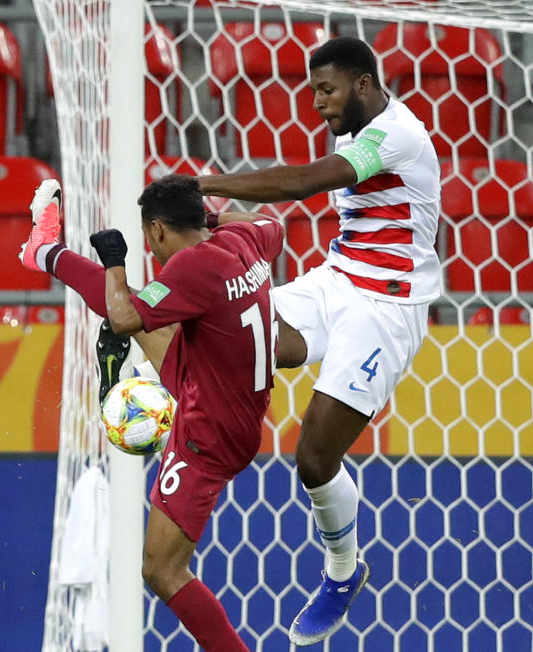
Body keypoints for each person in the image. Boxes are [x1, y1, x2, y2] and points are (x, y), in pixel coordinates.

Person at [193, 35, 440, 646]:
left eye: (326, 90)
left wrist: (202, 184)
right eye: (312, 92)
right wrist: (225, 215)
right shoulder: (351, 129)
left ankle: (343, 571)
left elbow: (303, 182)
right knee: (234, 328)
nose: (318, 104)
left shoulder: (397, 134)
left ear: (363, 83)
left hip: (386, 309)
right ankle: (172, 402)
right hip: (336, 280)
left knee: (313, 460)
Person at [20, 173, 285, 651]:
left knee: (160, 570)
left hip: (208, 434)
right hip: (223, 387)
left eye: (149, 239)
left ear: (159, 231)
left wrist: (115, 262)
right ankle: (43, 251)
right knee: (146, 318)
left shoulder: (192, 268)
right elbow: (273, 225)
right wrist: (213, 217)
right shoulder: (244, 239)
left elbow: (121, 317)